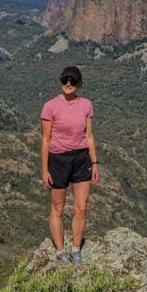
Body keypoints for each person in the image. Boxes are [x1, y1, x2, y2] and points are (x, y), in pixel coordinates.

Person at [40, 65, 100, 266]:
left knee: (81, 207)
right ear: (60, 81)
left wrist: (95, 162)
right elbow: (45, 140)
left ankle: (76, 250)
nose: (68, 84)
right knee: (58, 208)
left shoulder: (86, 105)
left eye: (73, 81)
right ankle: (60, 252)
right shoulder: (50, 107)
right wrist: (44, 169)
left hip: (81, 159)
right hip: (58, 160)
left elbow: (89, 136)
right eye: (65, 80)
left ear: (79, 84)